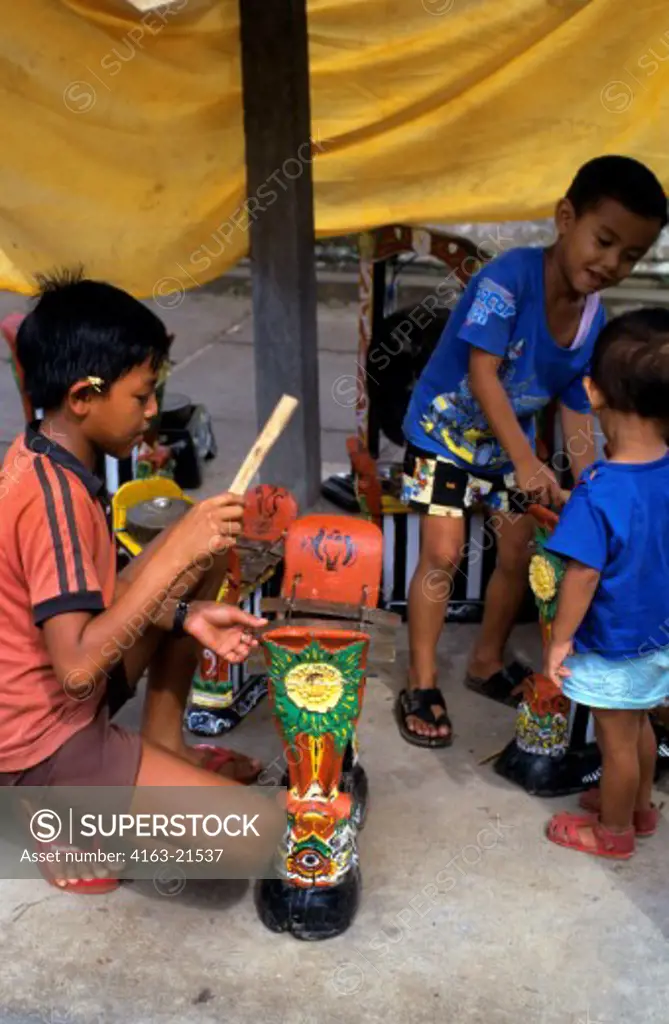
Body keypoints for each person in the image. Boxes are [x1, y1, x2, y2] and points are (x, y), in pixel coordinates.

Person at [0, 273, 275, 892]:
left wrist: (184, 616)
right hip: (39, 744)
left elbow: (95, 612)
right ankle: (46, 815)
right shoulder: (51, 501)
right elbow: (73, 667)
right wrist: (177, 542)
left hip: (69, 699)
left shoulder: (48, 453)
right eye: (142, 395)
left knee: (199, 558)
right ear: (82, 396)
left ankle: (159, 747)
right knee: (258, 840)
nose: (153, 412)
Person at [398, 155, 667, 747]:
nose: (612, 264)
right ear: (565, 217)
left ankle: (485, 663)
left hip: (506, 447)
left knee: (518, 549)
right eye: (604, 241)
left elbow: (575, 405)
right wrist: (526, 461)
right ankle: (420, 681)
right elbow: (483, 374)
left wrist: (593, 482)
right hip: (441, 435)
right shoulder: (504, 280)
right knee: (441, 554)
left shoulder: (593, 318)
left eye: (631, 256)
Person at [543, 308, 669, 859]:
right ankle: (640, 807)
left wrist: (560, 640)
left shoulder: (597, 493)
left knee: (614, 743)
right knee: (638, 725)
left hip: (613, 644)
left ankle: (613, 831)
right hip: (658, 639)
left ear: (592, 392)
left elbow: (583, 574)